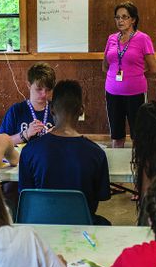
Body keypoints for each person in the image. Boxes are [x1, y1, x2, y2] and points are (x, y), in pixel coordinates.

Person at [19, 80, 111, 224]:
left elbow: (25, 195)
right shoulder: (96, 153)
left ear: (52, 110)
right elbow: (101, 196)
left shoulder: (29, 151)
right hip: (82, 225)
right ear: (81, 110)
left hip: (40, 225)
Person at [102, 2, 156, 148]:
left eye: (124, 17)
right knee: (116, 136)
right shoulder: (111, 39)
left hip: (136, 93)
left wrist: (135, 72)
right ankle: (117, 166)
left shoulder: (143, 38)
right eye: (117, 17)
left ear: (133, 19)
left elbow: (154, 68)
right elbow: (105, 66)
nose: (120, 21)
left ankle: (139, 168)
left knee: (138, 136)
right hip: (112, 92)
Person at [0, 62, 56, 144]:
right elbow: (1, 142)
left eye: (48, 90)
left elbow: (68, 140)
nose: (43, 94)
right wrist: (26, 134)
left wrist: (58, 135)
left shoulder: (57, 110)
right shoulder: (16, 111)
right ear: (29, 85)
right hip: (21, 156)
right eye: (39, 89)